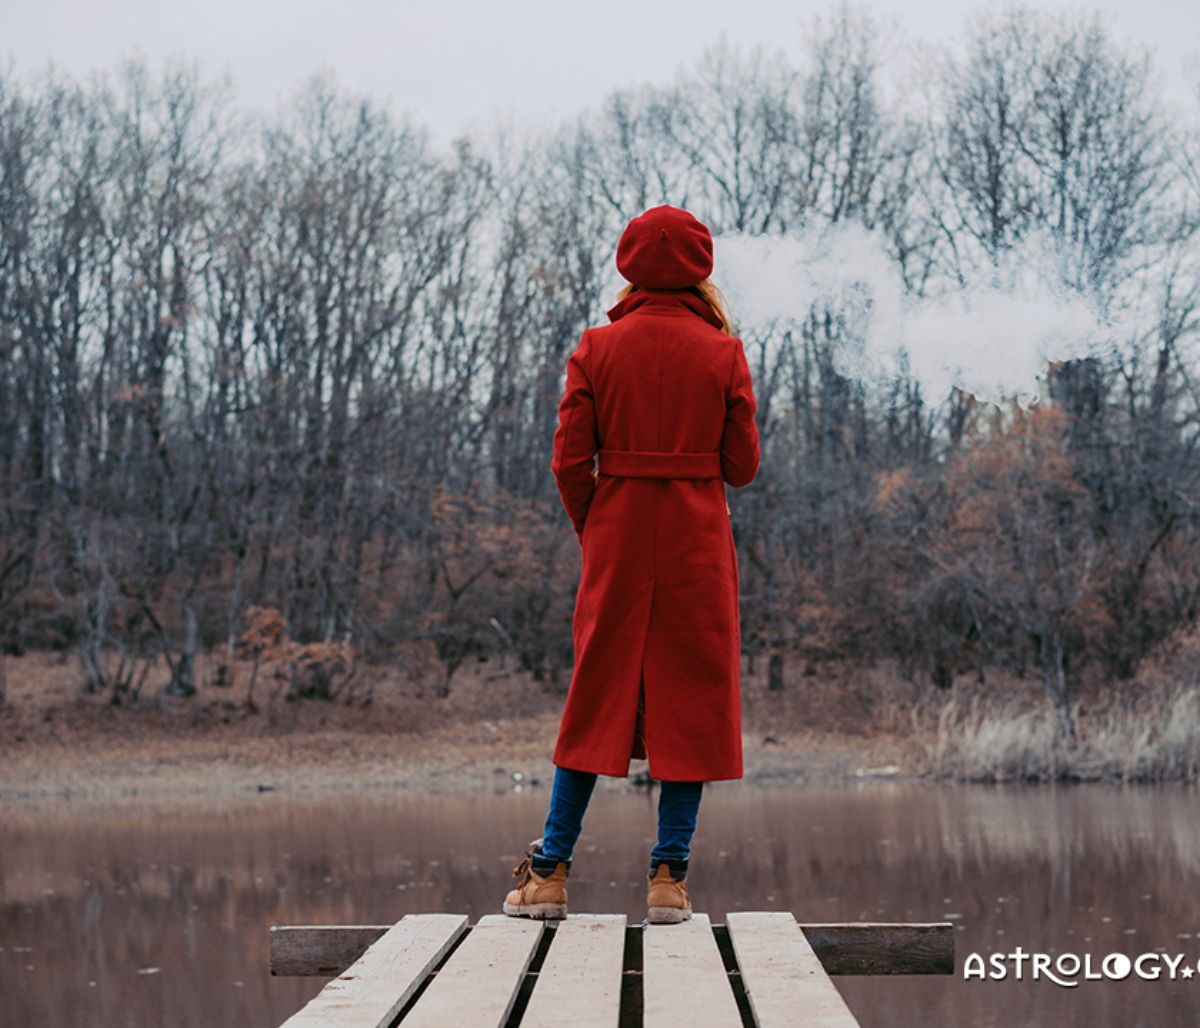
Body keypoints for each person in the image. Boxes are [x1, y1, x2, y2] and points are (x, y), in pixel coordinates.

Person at [502, 204, 760, 924]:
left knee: (595, 694)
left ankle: (548, 873)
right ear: (701, 267)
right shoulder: (723, 353)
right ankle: (669, 882)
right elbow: (741, 468)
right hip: (696, 544)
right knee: (693, 700)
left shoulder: (596, 346)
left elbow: (566, 461)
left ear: (628, 263)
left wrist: (598, 527)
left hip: (615, 537)